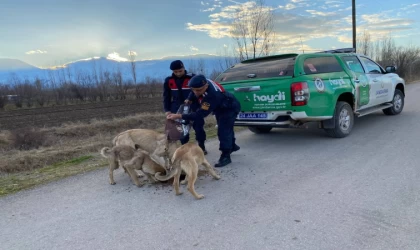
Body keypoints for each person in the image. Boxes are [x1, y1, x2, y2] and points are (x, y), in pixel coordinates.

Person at [167, 74, 241, 168]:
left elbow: (199, 115)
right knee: (227, 127)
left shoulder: (212, 95)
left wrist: (179, 116)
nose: (196, 92)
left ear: (206, 86)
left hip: (229, 108)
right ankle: (232, 146)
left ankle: (225, 156)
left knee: (223, 131)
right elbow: (194, 89)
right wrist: (190, 98)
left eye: (198, 90)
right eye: (193, 89)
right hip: (220, 107)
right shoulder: (202, 82)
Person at [163, 60, 207, 154]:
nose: (178, 73)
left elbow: (201, 92)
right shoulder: (168, 80)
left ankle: (202, 147)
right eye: (176, 72)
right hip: (177, 109)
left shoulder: (193, 77)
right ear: (172, 71)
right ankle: (185, 149)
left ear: (184, 68)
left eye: (180, 71)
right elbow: (166, 96)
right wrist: (167, 110)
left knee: (199, 128)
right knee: (182, 131)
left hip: (194, 108)